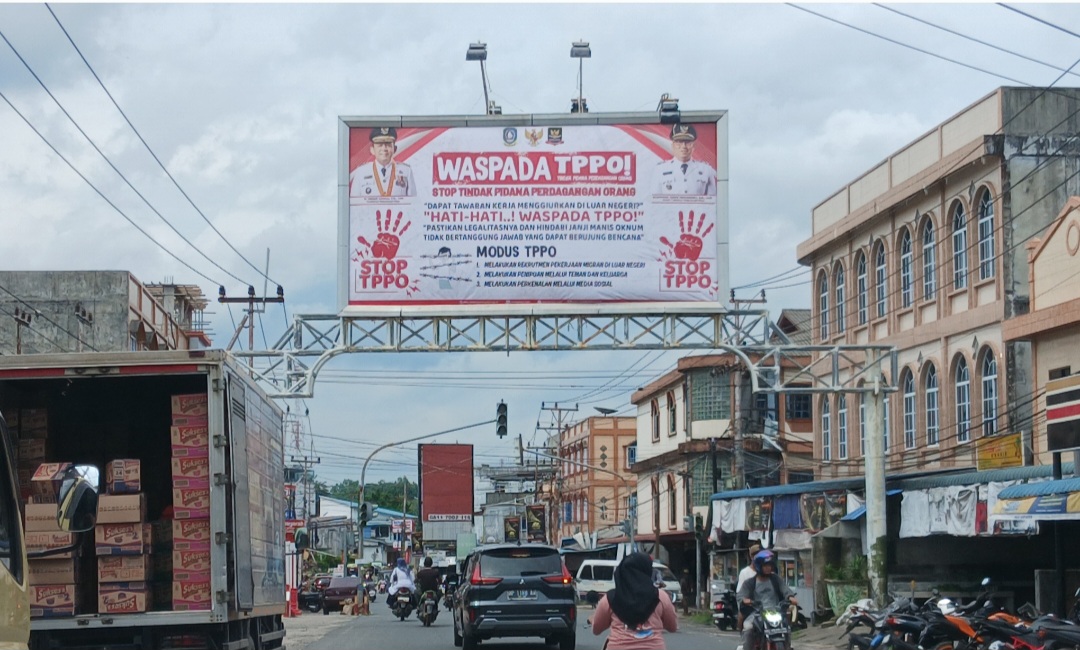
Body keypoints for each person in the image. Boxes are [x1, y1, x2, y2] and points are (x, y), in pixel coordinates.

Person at [591, 552, 679, 649]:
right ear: (647, 571)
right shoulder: (660, 597)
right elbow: (672, 627)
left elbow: (596, 630)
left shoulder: (610, 599)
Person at [737, 550, 798, 650]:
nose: (768, 568)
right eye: (765, 565)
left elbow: (785, 589)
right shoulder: (750, 583)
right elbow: (741, 595)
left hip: (775, 611)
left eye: (769, 565)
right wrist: (745, 600)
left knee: (786, 628)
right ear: (758, 566)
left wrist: (790, 597)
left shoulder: (775, 579)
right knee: (748, 629)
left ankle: (787, 646)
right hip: (756, 614)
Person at [652, 123, 717, 196]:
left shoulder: (706, 170)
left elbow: (711, 202)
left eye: (688, 142)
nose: (683, 146)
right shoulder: (660, 170)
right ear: (673, 145)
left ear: (694, 145)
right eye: (679, 142)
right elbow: (655, 203)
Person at [351, 126, 416, 198]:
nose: (384, 148)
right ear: (372, 150)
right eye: (380, 145)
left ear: (394, 149)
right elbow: (355, 204)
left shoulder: (406, 171)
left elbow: (412, 204)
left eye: (388, 144)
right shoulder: (361, 172)